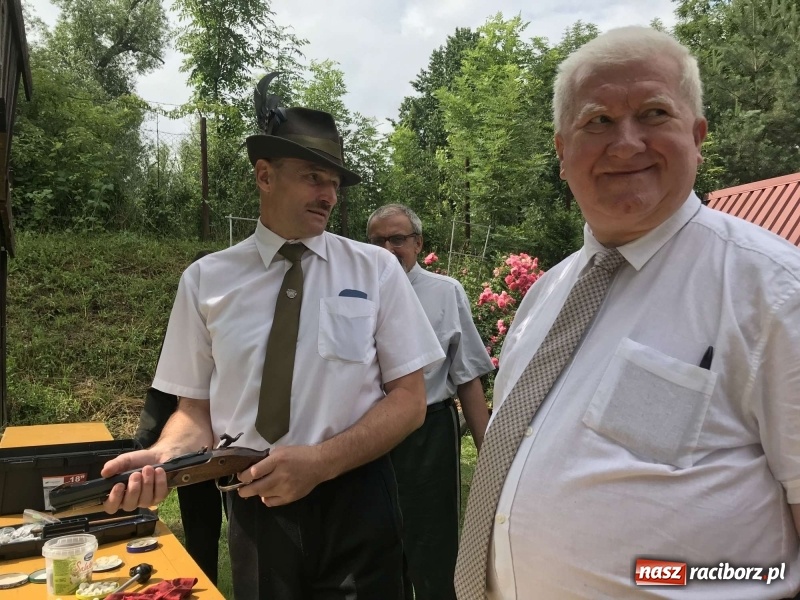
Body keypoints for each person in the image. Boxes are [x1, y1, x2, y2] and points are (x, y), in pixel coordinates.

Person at [455, 26, 800, 600]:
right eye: (598, 121)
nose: (626, 143)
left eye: (654, 113)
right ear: (563, 151)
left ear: (697, 135)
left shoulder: (773, 290)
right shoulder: (545, 294)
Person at [102, 91, 445, 600]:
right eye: (313, 177)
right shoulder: (205, 281)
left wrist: (320, 463)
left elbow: (410, 400)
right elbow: (194, 411)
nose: (329, 195)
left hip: (358, 500)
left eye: (334, 183)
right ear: (265, 176)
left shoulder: (376, 271)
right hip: (254, 500)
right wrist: (160, 457)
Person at [366, 204, 495, 600]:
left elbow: (467, 378)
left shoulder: (445, 292)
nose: (388, 248)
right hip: (368, 435)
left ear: (418, 243)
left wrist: (491, 456)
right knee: (375, 544)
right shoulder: (356, 294)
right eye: (377, 240)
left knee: (434, 546)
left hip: (429, 436)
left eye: (398, 239)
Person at [133, 250, 226, 585]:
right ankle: (203, 585)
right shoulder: (183, 331)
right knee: (201, 529)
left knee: (246, 525)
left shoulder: (246, 326)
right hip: (193, 446)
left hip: (237, 446)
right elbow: (162, 394)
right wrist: (145, 443)